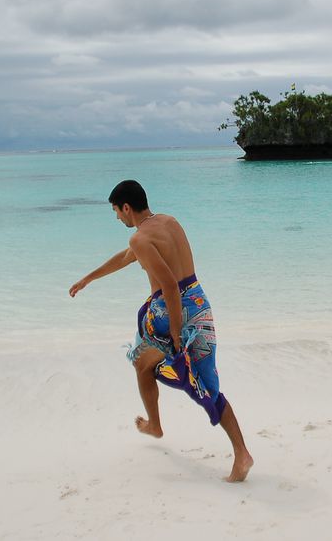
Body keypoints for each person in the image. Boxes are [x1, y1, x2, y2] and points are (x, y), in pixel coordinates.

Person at [69, 180, 254, 483]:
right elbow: (128, 257)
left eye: (116, 211)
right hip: (199, 303)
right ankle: (240, 453)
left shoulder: (140, 239)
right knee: (195, 381)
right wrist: (89, 278)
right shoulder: (170, 222)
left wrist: (178, 334)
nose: (117, 218)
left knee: (151, 364)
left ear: (126, 207)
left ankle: (156, 425)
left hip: (172, 314)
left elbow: (168, 285)